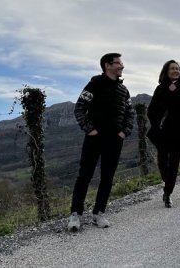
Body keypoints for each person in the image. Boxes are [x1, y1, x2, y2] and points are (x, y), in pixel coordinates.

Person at [67, 53, 134, 231]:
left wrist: (124, 132)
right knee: (85, 175)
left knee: (108, 176)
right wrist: (90, 129)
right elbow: (79, 107)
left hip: (115, 139)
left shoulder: (124, 90)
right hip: (94, 138)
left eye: (121, 63)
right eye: (118, 63)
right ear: (107, 65)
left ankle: (99, 213)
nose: (122, 66)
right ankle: (75, 214)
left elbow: (130, 113)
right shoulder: (94, 84)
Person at [147, 60, 180, 208]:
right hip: (162, 131)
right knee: (162, 162)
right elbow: (151, 109)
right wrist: (156, 124)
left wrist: (175, 90)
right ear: (166, 71)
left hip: (178, 132)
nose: (175, 71)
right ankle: (168, 181)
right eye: (172, 69)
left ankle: (167, 193)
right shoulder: (160, 89)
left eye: (177, 69)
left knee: (174, 163)